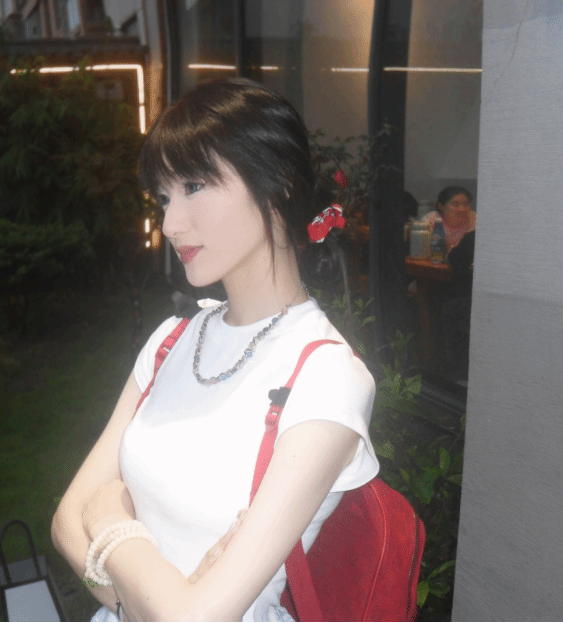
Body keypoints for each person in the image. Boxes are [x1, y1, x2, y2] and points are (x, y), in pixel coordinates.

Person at [51, 78, 379, 622]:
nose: (169, 223)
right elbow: (66, 523)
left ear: (277, 182)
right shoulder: (169, 342)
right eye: (163, 197)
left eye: (194, 185)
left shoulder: (326, 377)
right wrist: (149, 602)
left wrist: (109, 521)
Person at [421, 186, 477, 253]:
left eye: (466, 204)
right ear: (441, 206)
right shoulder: (431, 220)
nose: (462, 209)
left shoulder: (475, 219)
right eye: (455, 205)